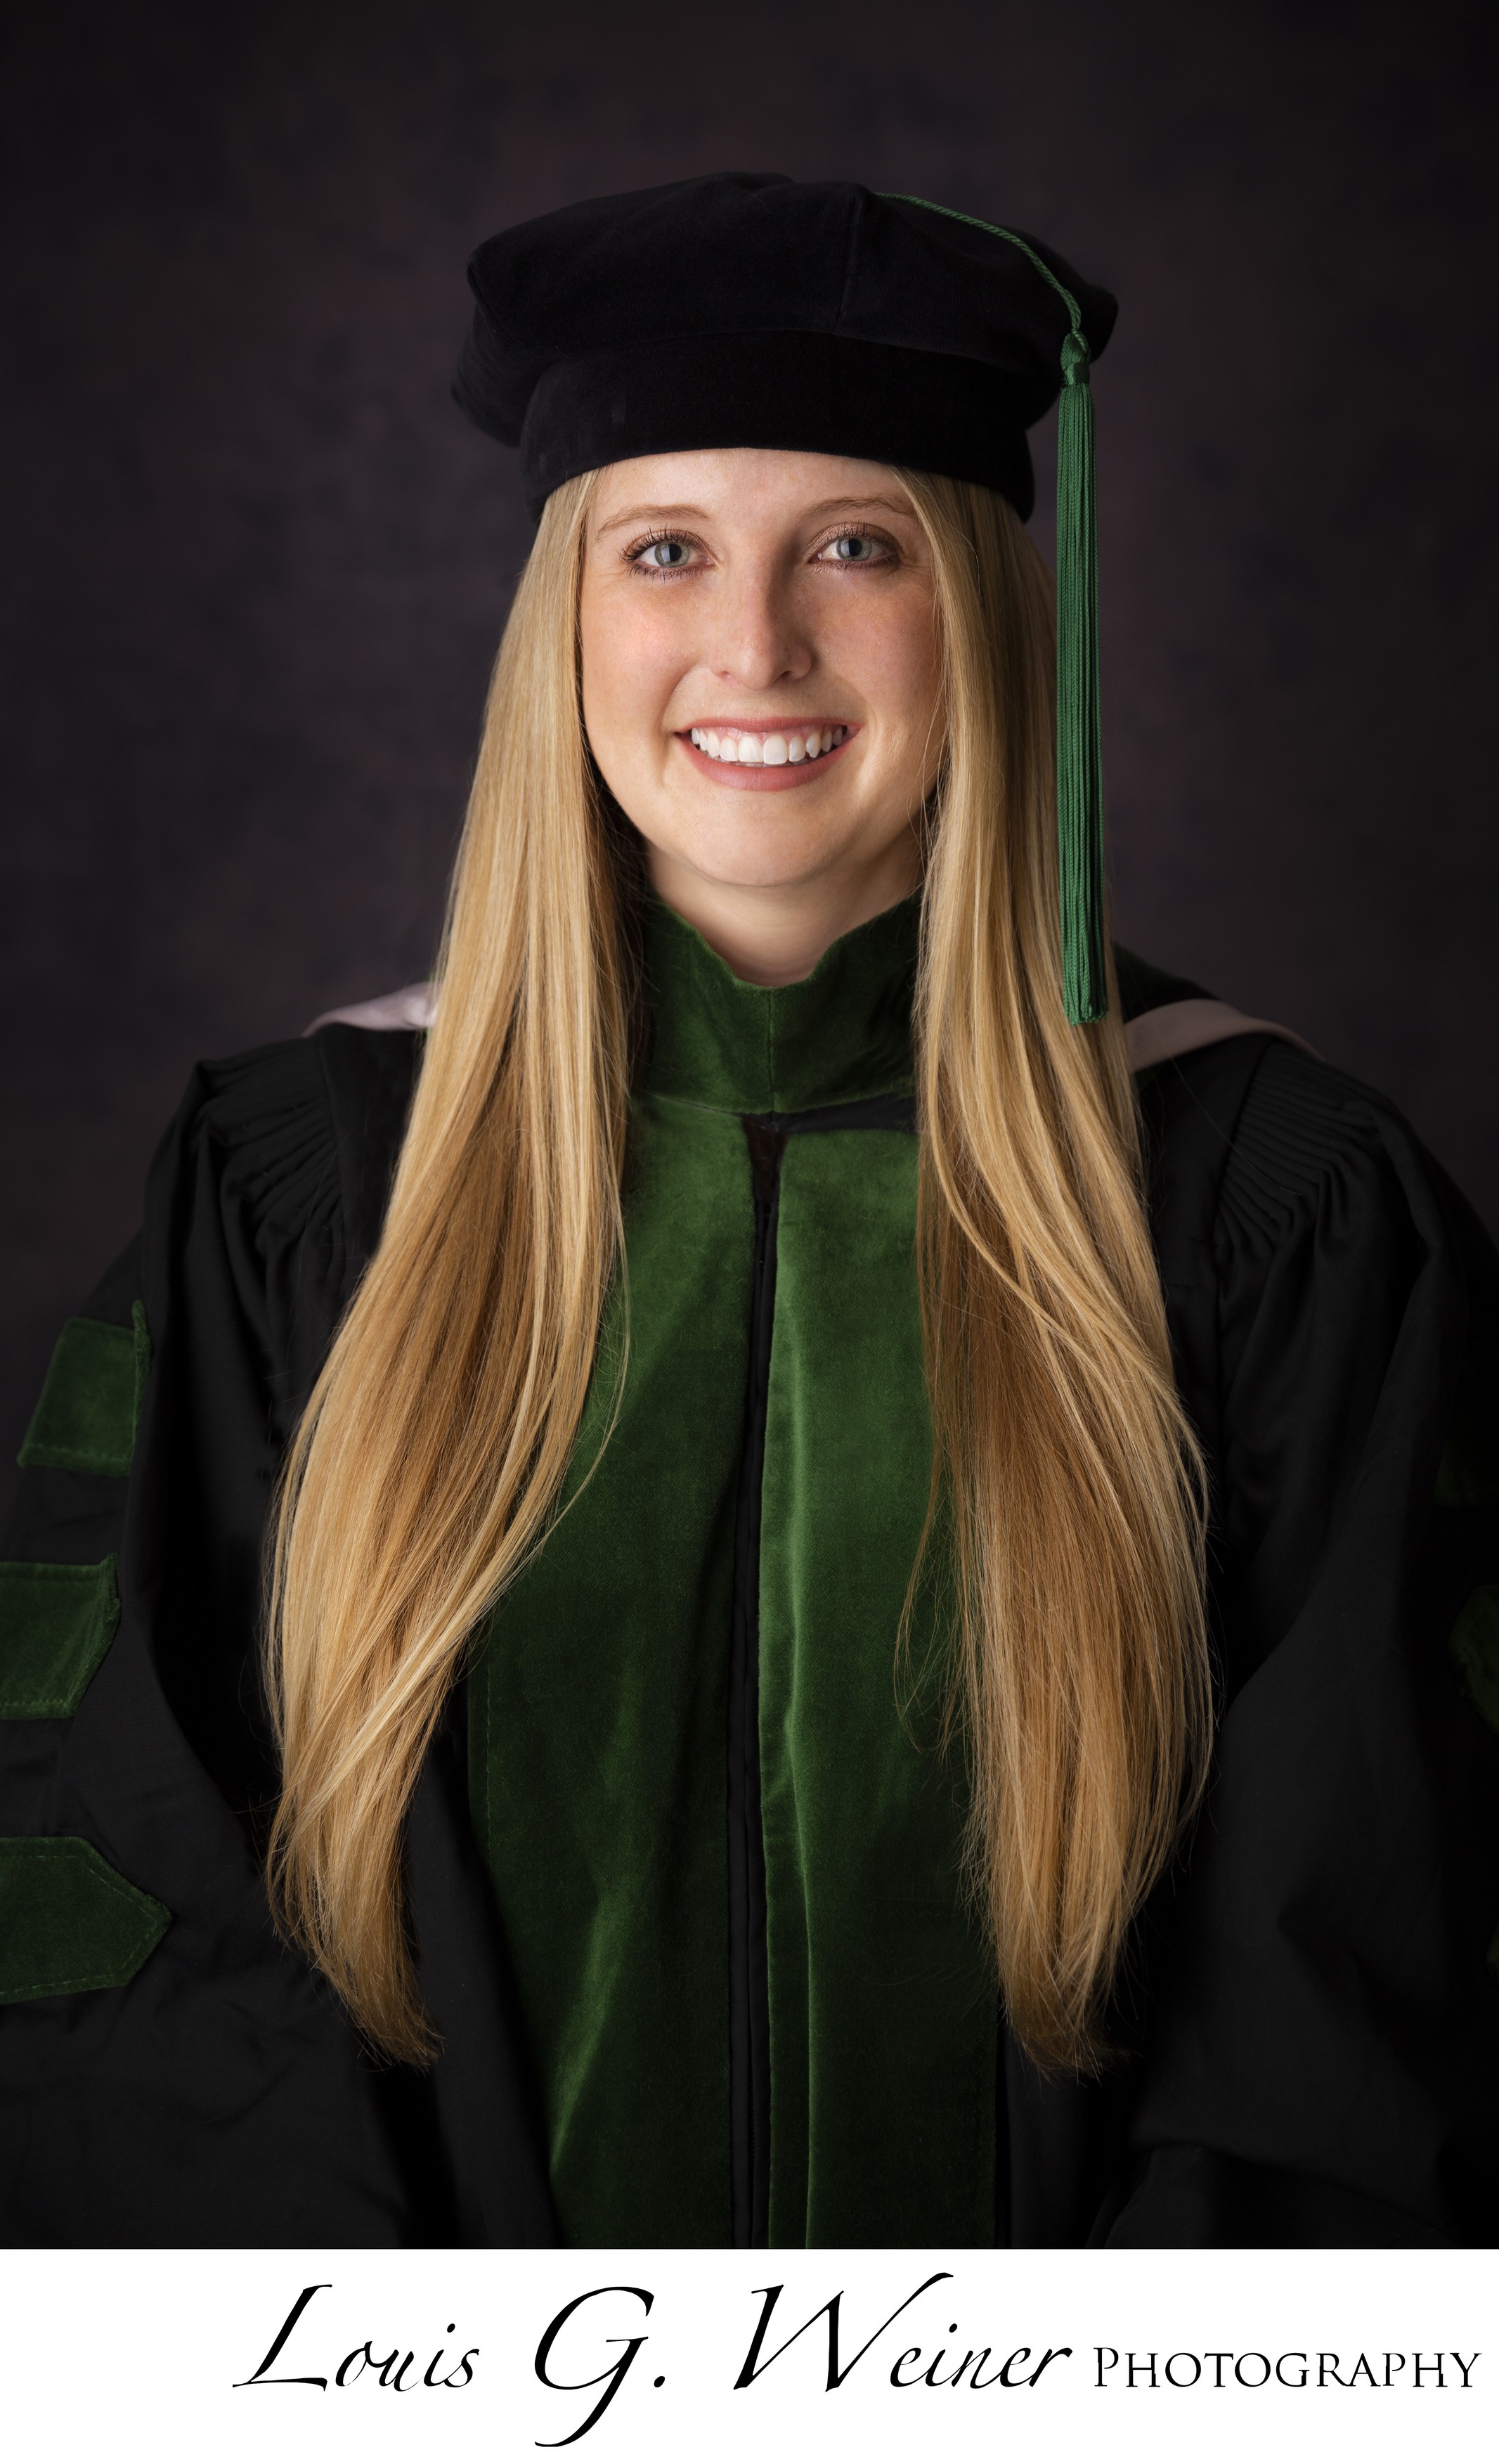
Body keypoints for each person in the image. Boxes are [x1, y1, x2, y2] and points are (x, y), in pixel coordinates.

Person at [2, 173, 1497, 2250]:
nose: (755, 643)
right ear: (570, 622)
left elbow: (1362, 1979)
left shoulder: (1267, 1206)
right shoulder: (305, 1197)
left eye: (858, 546)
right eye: (668, 549)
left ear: (981, 604)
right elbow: (137, 1930)